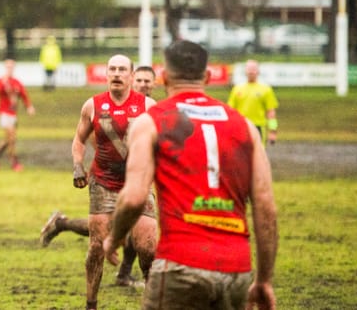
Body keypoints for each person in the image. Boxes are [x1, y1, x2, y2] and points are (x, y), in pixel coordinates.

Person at [104, 41, 278, 310]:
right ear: (207, 77)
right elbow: (266, 207)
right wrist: (264, 279)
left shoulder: (151, 121)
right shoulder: (245, 126)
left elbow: (134, 197)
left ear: (163, 77)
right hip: (236, 269)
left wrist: (115, 237)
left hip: (179, 265)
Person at [39, 61, 159, 287]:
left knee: (136, 228)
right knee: (112, 229)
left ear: (154, 85)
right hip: (109, 178)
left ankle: (123, 272)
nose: (143, 85)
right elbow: (94, 139)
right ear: (132, 80)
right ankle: (64, 225)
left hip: (138, 179)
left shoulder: (151, 107)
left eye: (147, 82)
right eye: (139, 81)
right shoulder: (104, 107)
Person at [71, 54, 158, 310]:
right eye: (112, 69)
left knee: (148, 248)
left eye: (122, 69)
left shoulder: (149, 106)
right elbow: (79, 140)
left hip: (138, 183)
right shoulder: (92, 105)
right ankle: (91, 305)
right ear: (107, 74)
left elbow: (162, 143)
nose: (117, 73)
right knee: (96, 248)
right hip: (103, 183)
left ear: (131, 75)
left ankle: (153, 303)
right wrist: (78, 166)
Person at [0, 58, 35, 171]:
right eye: (8, 67)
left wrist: (29, 107)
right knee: (11, 138)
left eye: (12, 67)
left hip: (13, 114)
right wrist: (4, 83)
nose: (10, 69)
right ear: (5, 67)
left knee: (8, 140)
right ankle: (14, 163)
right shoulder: (1, 80)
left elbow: (24, 95)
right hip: (4, 113)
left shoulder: (17, 82)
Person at [228, 59, 279, 145]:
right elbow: (231, 111)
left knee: (259, 152)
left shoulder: (266, 89)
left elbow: (271, 112)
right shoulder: (237, 89)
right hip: (241, 127)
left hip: (258, 127)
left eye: (253, 69)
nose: (251, 72)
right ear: (245, 71)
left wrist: (272, 130)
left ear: (258, 71)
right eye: (249, 69)